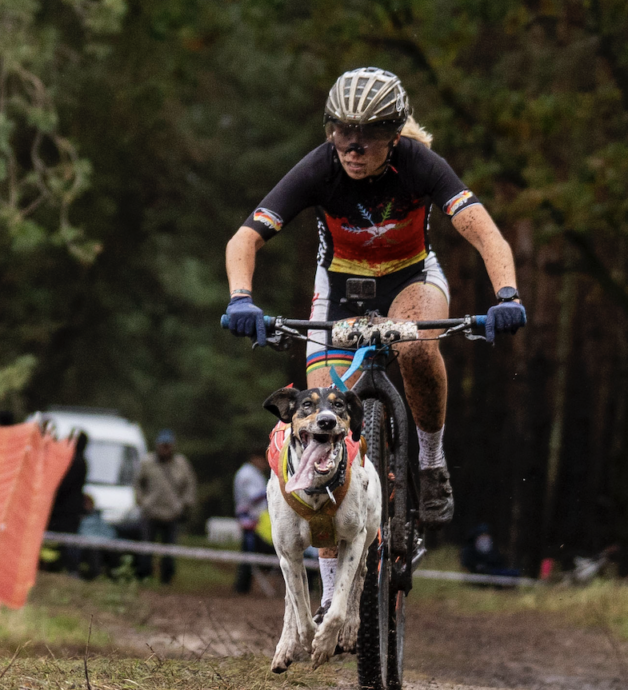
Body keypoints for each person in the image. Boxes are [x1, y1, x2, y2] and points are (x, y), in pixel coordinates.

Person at [224, 67, 527, 612]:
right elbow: (245, 238)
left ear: (396, 133)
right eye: (341, 131)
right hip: (339, 291)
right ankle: (331, 586)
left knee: (415, 345)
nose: (352, 145)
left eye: (368, 133)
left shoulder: (420, 165)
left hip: (411, 280)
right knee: (319, 421)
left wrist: (506, 295)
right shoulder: (319, 168)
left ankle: (430, 462)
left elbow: (484, 230)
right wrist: (241, 298)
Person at [133, 429, 197, 584]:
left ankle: (166, 578)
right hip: (151, 513)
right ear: (157, 446)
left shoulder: (181, 464)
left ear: (173, 446)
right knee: (146, 548)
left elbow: (190, 486)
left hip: (172, 514)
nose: (165, 449)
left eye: (168, 446)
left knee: (169, 550)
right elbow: (137, 484)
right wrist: (142, 502)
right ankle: (144, 576)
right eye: (163, 446)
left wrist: (184, 504)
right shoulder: (147, 462)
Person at [41, 432, 90, 575]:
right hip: (72, 508)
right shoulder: (82, 460)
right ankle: (62, 566)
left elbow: (64, 485)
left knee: (65, 539)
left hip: (66, 508)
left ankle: (67, 567)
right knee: (67, 538)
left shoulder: (75, 461)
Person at [233, 449, 274, 593]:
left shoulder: (254, 474)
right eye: (263, 459)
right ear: (254, 458)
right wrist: (273, 487)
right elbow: (254, 497)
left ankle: (243, 587)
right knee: (248, 555)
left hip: (256, 520)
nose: (264, 463)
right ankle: (241, 587)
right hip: (249, 521)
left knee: (248, 555)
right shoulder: (247, 474)